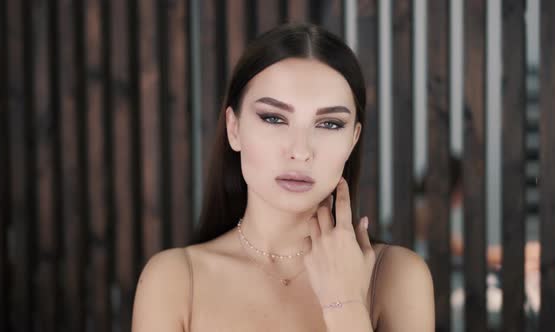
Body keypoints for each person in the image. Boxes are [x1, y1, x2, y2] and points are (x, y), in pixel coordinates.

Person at [131, 23, 434, 332]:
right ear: (234, 129)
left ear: (353, 140)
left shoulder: (396, 276)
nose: (300, 151)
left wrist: (345, 305)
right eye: (274, 118)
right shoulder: (175, 280)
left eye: (329, 124)